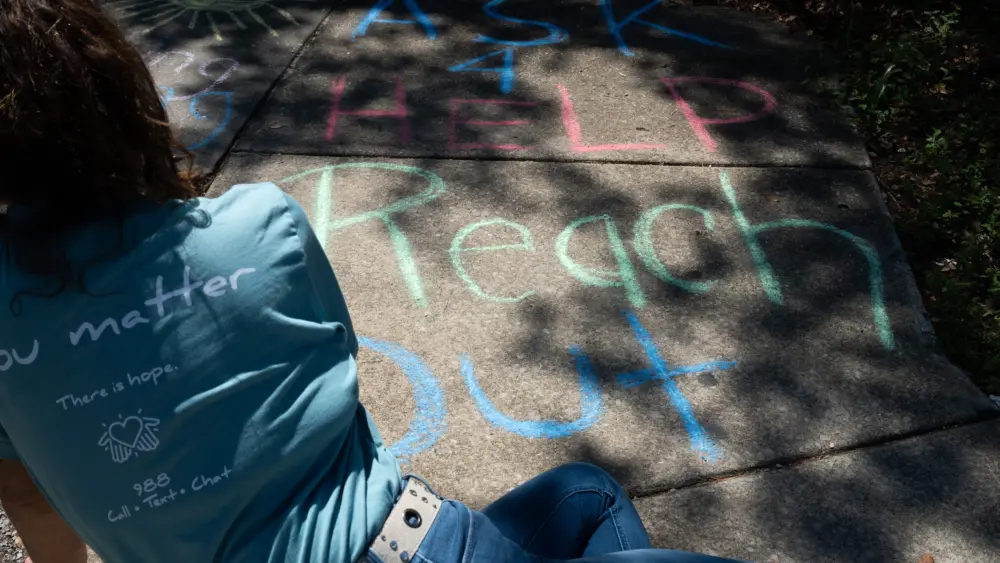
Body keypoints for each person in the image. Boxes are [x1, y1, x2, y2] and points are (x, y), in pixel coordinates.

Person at [0, 1, 748, 562]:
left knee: (583, 492)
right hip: (410, 546)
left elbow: (30, 501)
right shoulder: (256, 225)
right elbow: (336, 356)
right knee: (594, 502)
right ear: (120, 98)